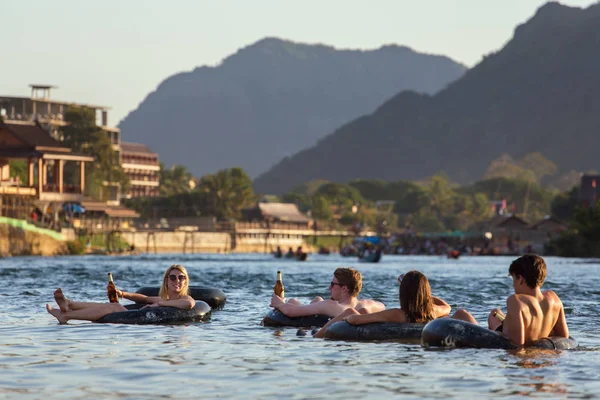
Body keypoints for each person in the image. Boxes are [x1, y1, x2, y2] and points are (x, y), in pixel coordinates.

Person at [452, 254, 569, 346]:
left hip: (512, 350)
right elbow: (564, 338)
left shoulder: (516, 301)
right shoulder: (554, 299)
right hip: (536, 345)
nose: (513, 285)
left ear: (520, 279)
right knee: (495, 313)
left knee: (461, 314)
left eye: (513, 279)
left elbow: (516, 345)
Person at [46, 264, 195, 324]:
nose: (177, 280)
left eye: (181, 277)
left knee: (114, 307)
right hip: (141, 318)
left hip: (141, 324)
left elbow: (189, 304)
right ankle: (70, 305)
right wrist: (122, 293)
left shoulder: (183, 298)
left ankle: (67, 315)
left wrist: (159, 304)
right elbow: (145, 298)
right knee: (111, 305)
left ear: (185, 281)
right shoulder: (164, 298)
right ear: (167, 280)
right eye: (173, 277)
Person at [269, 267, 385, 338]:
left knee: (293, 301)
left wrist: (278, 303)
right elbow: (383, 306)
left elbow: (290, 312)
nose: (329, 288)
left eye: (333, 284)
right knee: (317, 299)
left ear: (344, 288)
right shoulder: (368, 304)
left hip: (323, 328)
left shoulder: (333, 305)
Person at [342, 270, 450, 326]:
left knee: (351, 312)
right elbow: (447, 307)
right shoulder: (432, 311)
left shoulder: (398, 314)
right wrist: (423, 295)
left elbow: (356, 320)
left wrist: (347, 318)